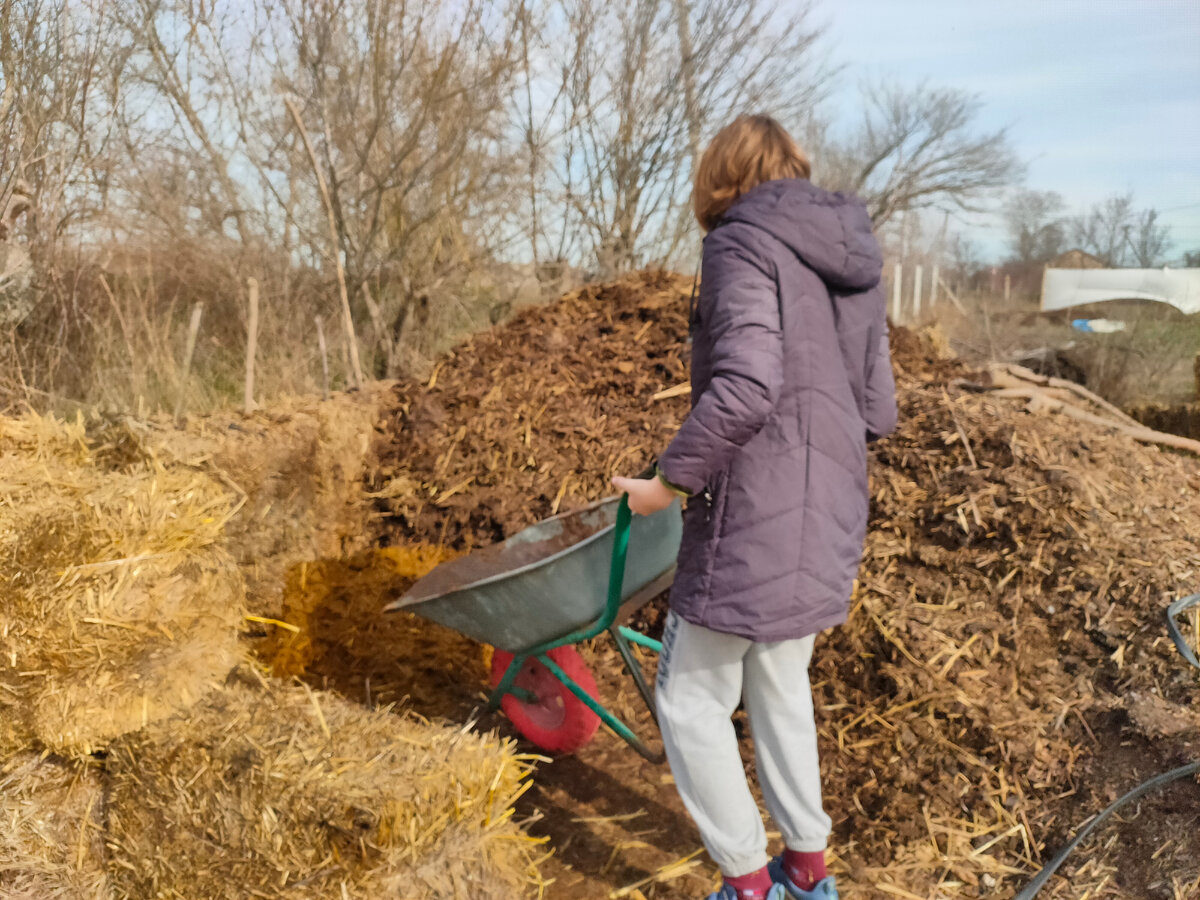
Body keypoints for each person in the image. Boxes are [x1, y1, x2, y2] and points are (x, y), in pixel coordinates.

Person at [612, 115, 898, 900]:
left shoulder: (738, 242)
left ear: (721, 178)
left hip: (754, 512)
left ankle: (747, 886)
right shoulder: (856, 261)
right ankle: (807, 871)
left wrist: (666, 484)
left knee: (689, 699)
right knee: (778, 682)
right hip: (831, 506)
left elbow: (744, 387)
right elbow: (877, 406)